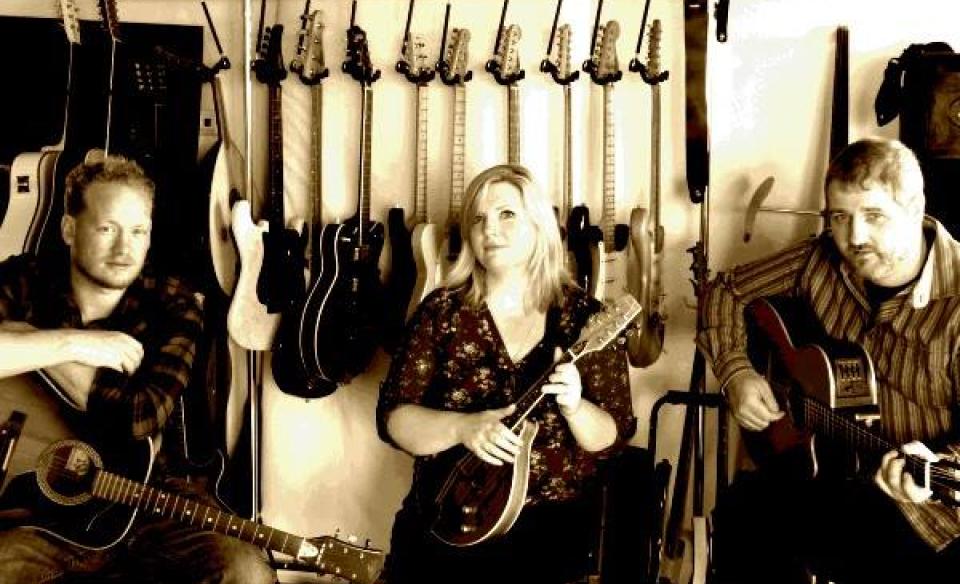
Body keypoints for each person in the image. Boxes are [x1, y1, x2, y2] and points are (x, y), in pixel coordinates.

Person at [0, 156, 276, 583]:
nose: (124, 248)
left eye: (139, 231)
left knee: (245, 570)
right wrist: (74, 343)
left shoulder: (173, 303)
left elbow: (136, 418)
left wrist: (28, 344)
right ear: (69, 229)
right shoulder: (23, 280)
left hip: (148, 498)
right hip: (36, 512)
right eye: (107, 228)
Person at [697, 137, 960, 584]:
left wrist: (941, 467)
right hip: (830, 470)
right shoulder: (818, 260)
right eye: (840, 217)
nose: (854, 237)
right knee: (743, 512)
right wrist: (737, 372)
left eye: (874, 216)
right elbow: (723, 290)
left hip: (928, 510)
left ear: (915, 208)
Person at [376, 164, 636, 584]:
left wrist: (574, 405)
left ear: (539, 225)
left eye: (506, 214)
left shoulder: (584, 317)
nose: (488, 228)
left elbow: (613, 434)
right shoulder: (442, 313)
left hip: (550, 540)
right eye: (477, 218)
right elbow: (394, 419)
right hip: (444, 529)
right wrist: (464, 428)